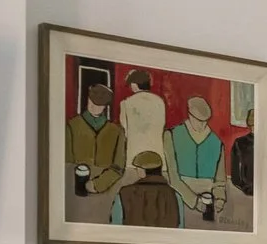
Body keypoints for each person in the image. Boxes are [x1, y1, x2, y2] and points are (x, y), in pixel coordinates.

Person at [63, 81, 138, 223]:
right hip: (74, 191)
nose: (94, 107)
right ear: (87, 100)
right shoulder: (72, 126)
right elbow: (66, 162)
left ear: (105, 107)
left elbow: (118, 167)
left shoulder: (116, 131)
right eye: (92, 102)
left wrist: (98, 184)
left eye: (99, 105)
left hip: (105, 192)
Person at [116, 71, 180, 227]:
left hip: (134, 159)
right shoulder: (159, 102)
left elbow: (125, 128)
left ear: (134, 84)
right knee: (162, 204)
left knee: (132, 203)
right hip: (158, 158)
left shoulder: (126, 103)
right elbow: (162, 125)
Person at [167, 94, 227, 223]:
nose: (202, 125)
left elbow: (220, 179)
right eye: (198, 121)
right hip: (179, 199)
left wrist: (220, 198)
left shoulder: (216, 142)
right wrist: (194, 201)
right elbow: (173, 177)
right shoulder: (171, 135)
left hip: (208, 201)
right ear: (190, 115)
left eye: (205, 121)